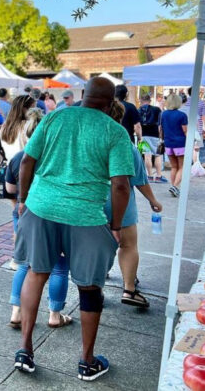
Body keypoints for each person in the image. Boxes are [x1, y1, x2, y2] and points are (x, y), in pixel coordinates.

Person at [13, 77, 133, 381]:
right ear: (109, 103)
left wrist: (23, 200)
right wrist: (116, 226)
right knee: (90, 286)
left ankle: (25, 350)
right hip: (85, 215)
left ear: (84, 95)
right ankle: (87, 361)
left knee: (35, 272)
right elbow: (120, 185)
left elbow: (27, 161)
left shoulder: (54, 117)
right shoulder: (114, 131)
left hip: (40, 208)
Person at [4, 113, 70, 330]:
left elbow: (9, 190)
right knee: (59, 267)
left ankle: (16, 311)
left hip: (24, 212)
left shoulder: (18, 157)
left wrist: (20, 203)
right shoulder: (57, 159)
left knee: (24, 263)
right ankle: (54, 314)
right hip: (54, 213)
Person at [103, 101, 163, 309]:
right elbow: (139, 179)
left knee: (98, 246)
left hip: (92, 203)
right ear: (120, 118)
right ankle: (129, 288)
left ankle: (96, 285)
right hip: (122, 203)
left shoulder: (88, 142)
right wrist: (153, 201)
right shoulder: (126, 146)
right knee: (128, 245)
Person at [160, 93, 188, 197]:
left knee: (174, 167)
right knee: (182, 166)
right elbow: (185, 131)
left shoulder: (163, 114)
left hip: (168, 143)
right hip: (180, 143)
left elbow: (161, 129)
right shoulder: (182, 115)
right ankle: (175, 187)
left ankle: (173, 187)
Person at [138, 94, 166, 183]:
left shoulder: (138, 110)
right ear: (150, 101)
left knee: (147, 156)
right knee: (158, 155)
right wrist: (161, 136)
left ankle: (149, 176)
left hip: (143, 135)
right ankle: (158, 176)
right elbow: (160, 124)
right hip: (155, 135)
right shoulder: (157, 109)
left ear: (140, 101)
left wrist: (139, 137)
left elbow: (137, 125)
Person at [0, 95, 36, 161]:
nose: (35, 111)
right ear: (24, 109)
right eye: (33, 108)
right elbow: (33, 148)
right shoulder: (28, 125)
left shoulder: (5, 126)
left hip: (10, 164)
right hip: (24, 165)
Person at [181, 86, 205, 162]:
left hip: (184, 127)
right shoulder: (202, 103)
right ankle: (195, 165)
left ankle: (187, 164)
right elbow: (204, 117)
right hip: (198, 128)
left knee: (187, 147)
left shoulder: (185, 102)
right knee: (196, 149)